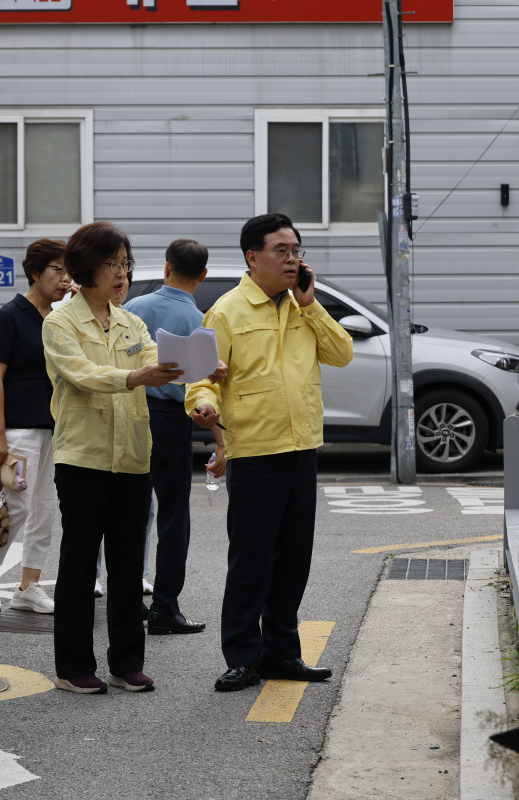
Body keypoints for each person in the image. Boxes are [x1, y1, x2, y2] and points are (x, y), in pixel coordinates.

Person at [186, 213, 353, 692]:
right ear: (252, 257)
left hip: (302, 447)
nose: (292, 258)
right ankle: (242, 657)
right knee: (252, 561)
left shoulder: (303, 306)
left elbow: (342, 354)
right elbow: (201, 378)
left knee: (294, 561)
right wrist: (202, 405)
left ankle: (282, 654)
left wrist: (311, 305)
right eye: (282, 250)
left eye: (296, 250)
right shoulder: (226, 312)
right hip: (256, 452)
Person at [42, 221, 186, 694]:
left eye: (126, 264)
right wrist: (135, 377)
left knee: (127, 566)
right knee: (80, 565)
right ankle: (72, 666)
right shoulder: (60, 322)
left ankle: (126, 662)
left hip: (132, 457)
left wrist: (199, 366)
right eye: (111, 264)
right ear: (87, 267)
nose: (122, 274)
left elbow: (156, 358)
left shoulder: (131, 322)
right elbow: (81, 373)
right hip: (82, 457)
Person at [123, 239, 225, 635]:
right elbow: (204, 388)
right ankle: (165, 607)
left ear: (167, 267)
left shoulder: (134, 308)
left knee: (130, 512)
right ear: (203, 275)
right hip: (171, 421)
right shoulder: (201, 322)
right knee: (173, 515)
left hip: (132, 413)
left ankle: (126, 602)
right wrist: (220, 441)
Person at [0, 239, 71, 615]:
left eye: (68, 271)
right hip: (18, 429)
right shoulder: (10, 315)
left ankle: (29, 585)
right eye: (57, 269)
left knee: (44, 508)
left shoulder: (59, 318)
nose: (65, 278)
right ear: (35, 273)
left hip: (53, 427)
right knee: (15, 508)